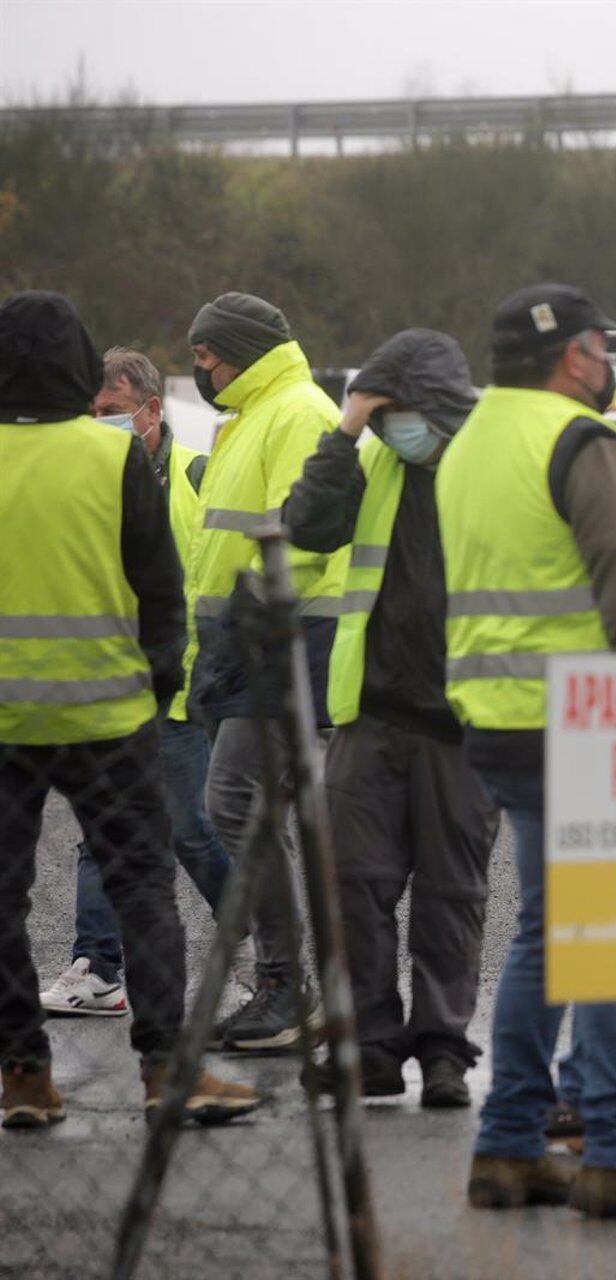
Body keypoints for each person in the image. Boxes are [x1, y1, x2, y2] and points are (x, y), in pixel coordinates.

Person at [445, 284, 616, 1219]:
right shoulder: (583, 442)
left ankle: (508, 1147)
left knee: (551, 933)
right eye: (605, 353)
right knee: (613, 941)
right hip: (594, 720)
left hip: (500, 720)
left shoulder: (469, 441)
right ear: (578, 358)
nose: (611, 371)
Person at [0, 291, 257, 1129]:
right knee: (143, 886)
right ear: (79, 367)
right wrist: (149, 691)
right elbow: (161, 595)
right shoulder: (115, 459)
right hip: (108, 718)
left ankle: (26, 1080)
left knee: (4, 902)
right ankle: (166, 1072)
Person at [282, 330, 499, 1108]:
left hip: (464, 720)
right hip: (370, 716)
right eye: (383, 414)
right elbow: (306, 524)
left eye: (405, 414)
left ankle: (443, 1050)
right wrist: (345, 429)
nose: (394, 427)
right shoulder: (369, 459)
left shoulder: (491, 470)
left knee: (452, 896)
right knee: (352, 889)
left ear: (442, 410)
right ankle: (369, 1048)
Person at [40, 347, 239, 1017]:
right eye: (92, 412)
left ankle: (264, 953)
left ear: (152, 411)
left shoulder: (199, 475)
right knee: (102, 831)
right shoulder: (82, 479)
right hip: (109, 687)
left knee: (189, 832)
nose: (99, 424)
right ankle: (96, 968)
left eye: (113, 413)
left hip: (182, 690)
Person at [183, 292, 350, 1054]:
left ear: (243, 348)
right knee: (246, 811)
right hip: (243, 640)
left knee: (236, 804)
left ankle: (287, 988)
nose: (201, 368)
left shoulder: (297, 412)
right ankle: (284, 985)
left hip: (283, 638)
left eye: (208, 353)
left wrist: (244, 620)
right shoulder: (252, 416)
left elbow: (305, 532)